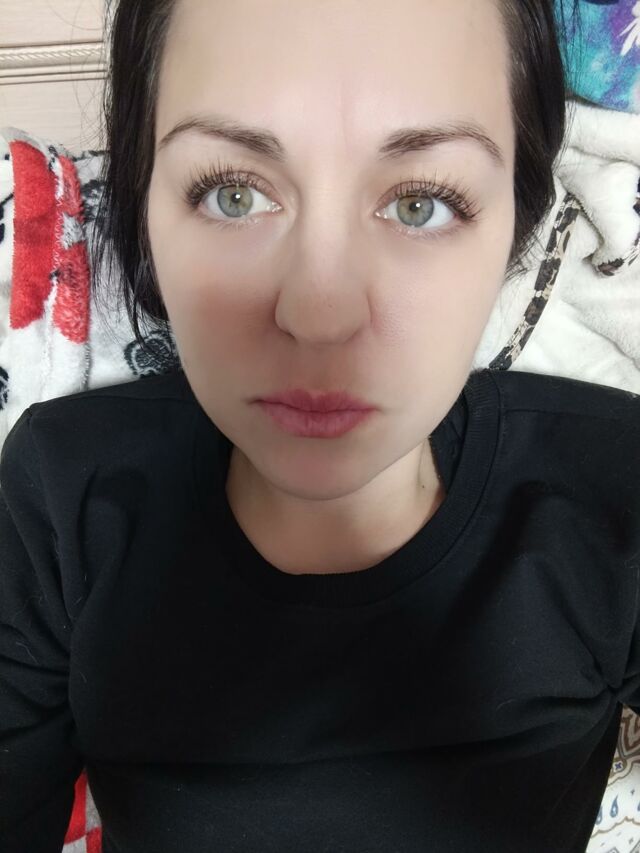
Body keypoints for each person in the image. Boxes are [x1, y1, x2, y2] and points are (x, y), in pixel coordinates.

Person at [1, 0, 639, 851]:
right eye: (233, 194)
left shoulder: (615, 492)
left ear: (518, 232)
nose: (319, 315)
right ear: (143, 210)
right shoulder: (61, 496)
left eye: (421, 203)